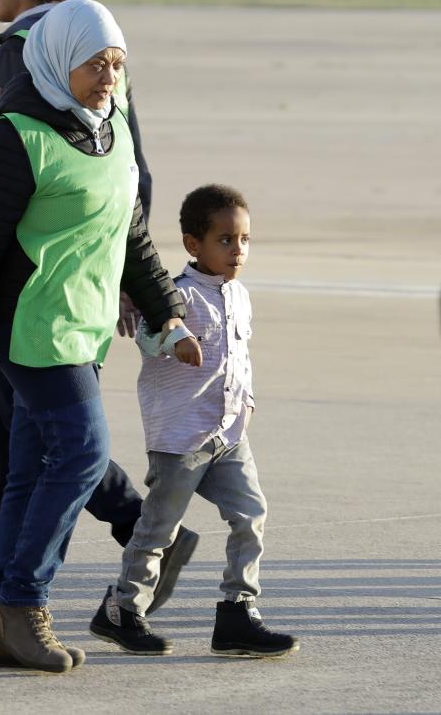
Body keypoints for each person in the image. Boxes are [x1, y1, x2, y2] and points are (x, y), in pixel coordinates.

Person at [0, 0, 194, 673]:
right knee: (80, 452)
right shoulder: (15, 136)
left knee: (28, 468)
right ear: (55, 61)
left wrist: (166, 317)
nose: (108, 77)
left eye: (116, 64)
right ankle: (23, 605)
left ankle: (2, 625)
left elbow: (131, 234)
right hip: (29, 325)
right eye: (93, 65)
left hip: (84, 324)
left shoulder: (113, 130)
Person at [90, 185, 300, 658]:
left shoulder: (240, 295)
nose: (237, 249)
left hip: (228, 434)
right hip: (181, 439)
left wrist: (247, 403)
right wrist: (173, 340)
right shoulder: (174, 295)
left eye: (244, 239)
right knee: (157, 529)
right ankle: (123, 610)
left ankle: (237, 613)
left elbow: (238, 358)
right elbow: (146, 338)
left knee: (251, 515)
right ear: (193, 244)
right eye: (225, 240)